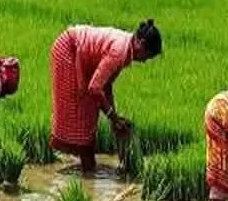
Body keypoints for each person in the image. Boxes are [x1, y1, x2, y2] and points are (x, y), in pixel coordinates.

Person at [50, 20, 162, 173]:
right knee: (82, 112)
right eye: (147, 56)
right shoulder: (119, 51)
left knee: (89, 114)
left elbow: (106, 85)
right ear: (141, 44)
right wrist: (113, 118)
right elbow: (95, 88)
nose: (144, 61)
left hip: (81, 56)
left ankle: (88, 167)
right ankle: (88, 169)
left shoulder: (125, 49)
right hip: (69, 50)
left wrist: (113, 118)